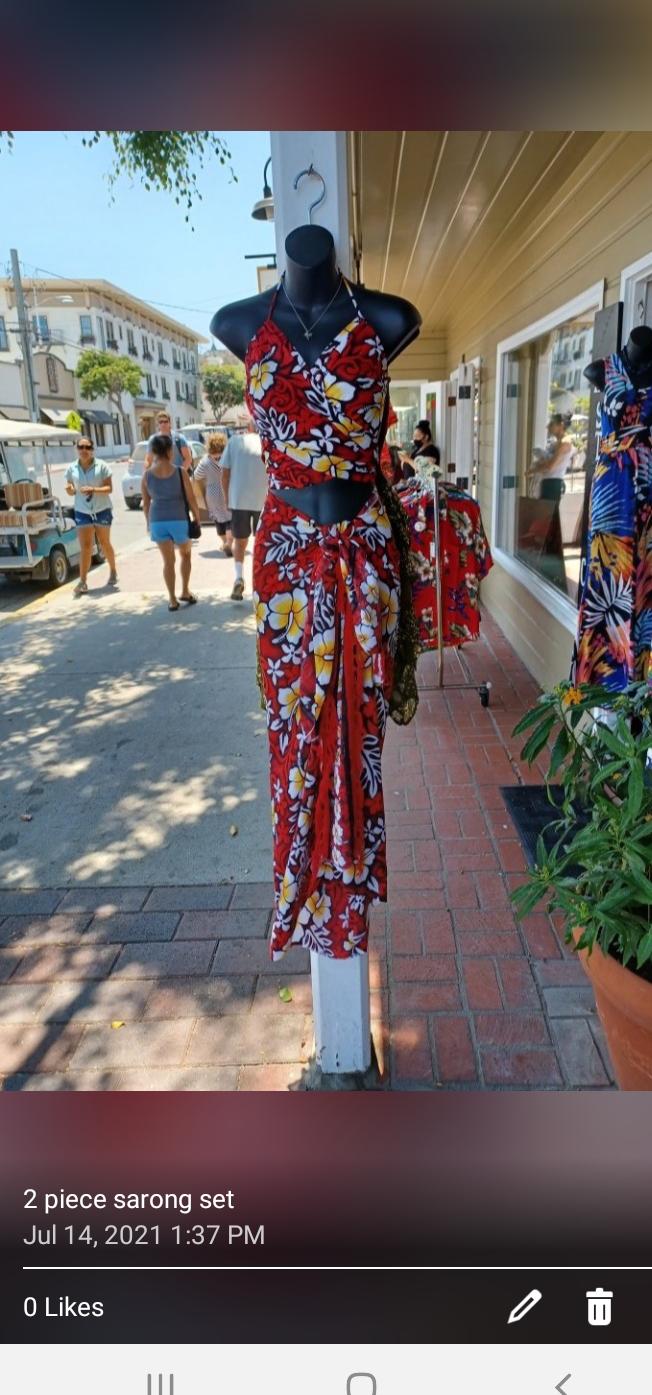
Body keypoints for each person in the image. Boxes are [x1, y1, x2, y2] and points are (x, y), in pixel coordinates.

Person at [210, 221, 422, 961]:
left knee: (358, 736)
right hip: (287, 564)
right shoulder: (238, 323)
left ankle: (349, 899)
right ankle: (301, 893)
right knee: (293, 734)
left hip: (363, 559)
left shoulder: (388, 318)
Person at [141, 433, 201, 611]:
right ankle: (185, 591)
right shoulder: (180, 472)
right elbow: (191, 498)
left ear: (154, 452)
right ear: (169, 451)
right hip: (178, 519)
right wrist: (197, 518)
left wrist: (148, 523)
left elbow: (146, 503)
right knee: (186, 554)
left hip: (157, 521)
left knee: (168, 561)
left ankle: (172, 600)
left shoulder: (147, 476)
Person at [219, 415, 268, 601]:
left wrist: (227, 497)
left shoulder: (235, 441)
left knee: (240, 542)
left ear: (248, 426)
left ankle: (239, 578)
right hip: (264, 500)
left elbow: (224, 473)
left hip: (239, 500)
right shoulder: (268, 442)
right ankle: (261, 583)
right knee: (262, 544)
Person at [65, 435, 118, 597]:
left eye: (87, 447)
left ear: (92, 450)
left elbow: (109, 489)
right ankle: (82, 581)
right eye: (81, 447)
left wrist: (93, 489)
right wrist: (70, 490)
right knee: (86, 547)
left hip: (102, 509)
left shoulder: (102, 466)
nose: (84, 450)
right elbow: (70, 488)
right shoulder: (72, 468)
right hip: (82, 511)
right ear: (77, 449)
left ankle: (113, 570)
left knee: (104, 542)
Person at [193, 432, 233, 554]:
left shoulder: (205, 461)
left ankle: (224, 541)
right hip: (228, 490)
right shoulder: (229, 458)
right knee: (230, 518)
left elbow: (196, 475)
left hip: (212, 494)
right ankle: (229, 542)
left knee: (218, 519)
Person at [529, 413, 574, 499]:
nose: (548, 427)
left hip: (553, 483)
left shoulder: (565, 443)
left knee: (546, 507)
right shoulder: (557, 443)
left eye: (551, 424)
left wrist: (532, 471)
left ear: (561, 425)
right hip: (547, 482)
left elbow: (550, 466)